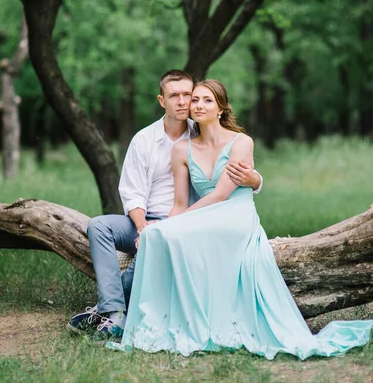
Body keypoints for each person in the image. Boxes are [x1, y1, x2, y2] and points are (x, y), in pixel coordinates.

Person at [112, 80, 373, 359]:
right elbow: (178, 203)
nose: (198, 105)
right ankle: (145, 317)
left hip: (235, 212)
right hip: (202, 213)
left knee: (168, 231)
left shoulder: (241, 142)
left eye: (207, 100)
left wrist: (171, 224)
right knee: (155, 236)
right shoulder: (181, 150)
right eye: (196, 100)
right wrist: (162, 227)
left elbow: (222, 194)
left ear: (222, 109)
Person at [67, 71, 262, 339]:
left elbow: (227, 181)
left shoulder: (202, 131)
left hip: (186, 219)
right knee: (99, 225)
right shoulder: (144, 140)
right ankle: (113, 311)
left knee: (155, 239)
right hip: (146, 218)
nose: (185, 102)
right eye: (176, 96)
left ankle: (107, 311)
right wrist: (143, 225)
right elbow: (132, 194)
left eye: (189, 96)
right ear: (162, 101)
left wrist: (256, 180)